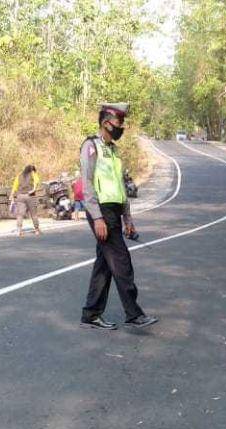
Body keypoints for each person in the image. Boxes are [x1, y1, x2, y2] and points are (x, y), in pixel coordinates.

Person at [78, 103, 157, 330]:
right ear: (106, 123)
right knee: (122, 261)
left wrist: (128, 218)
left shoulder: (113, 151)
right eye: (119, 123)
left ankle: (91, 314)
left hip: (113, 211)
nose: (121, 127)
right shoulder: (90, 146)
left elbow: (120, 188)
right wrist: (98, 217)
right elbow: (88, 184)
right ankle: (133, 313)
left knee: (104, 266)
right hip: (100, 212)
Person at [10, 164, 42, 237]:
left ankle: (19, 230)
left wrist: (12, 195)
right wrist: (33, 189)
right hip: (30, 195)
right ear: (32, 170)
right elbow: (37, 181)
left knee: (20, 214)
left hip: (20, 196)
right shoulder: (33, 173)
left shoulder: (19, 175)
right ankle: (37, 230)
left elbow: (14, 186)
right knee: (33, 214)